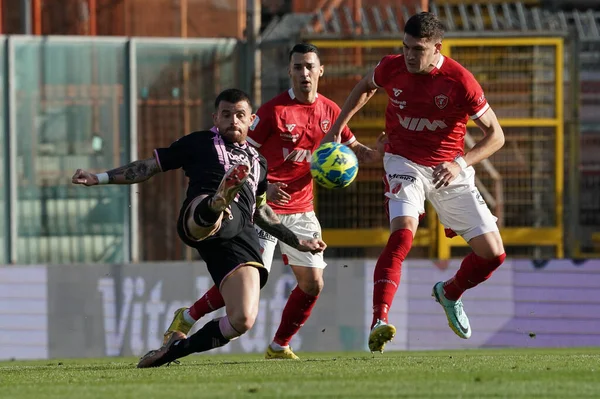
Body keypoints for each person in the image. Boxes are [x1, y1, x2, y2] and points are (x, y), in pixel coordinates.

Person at [159, 43, 384, 360]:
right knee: (248, 279)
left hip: (303, 209)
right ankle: (190, 316)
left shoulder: (331, 110)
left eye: (309, 66)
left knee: (313, 283)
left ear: (321, 70)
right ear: (290, 72)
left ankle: (279, 345)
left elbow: (351, 147)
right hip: (263, 209)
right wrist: (269, 185)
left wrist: (375, 154)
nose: (304, 73)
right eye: (297, 67)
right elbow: (240, 156)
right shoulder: (273, 112)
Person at [72, 88, 326, 368]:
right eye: (226, 114)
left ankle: (176, 349)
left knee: (243, 319)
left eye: (240, 115)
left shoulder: (259, 162)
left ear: (251, 120)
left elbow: (263, 211)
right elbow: (148, 167)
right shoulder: (199, 142)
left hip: (240, 238)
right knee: (211, 210)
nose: (233, 120)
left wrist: (298, 241)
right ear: (215, 117)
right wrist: (99, 177)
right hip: (199, 215)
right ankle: (218, 202)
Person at [322, 12, 507, 353]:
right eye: (405, 47)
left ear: (438, 48)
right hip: (402, 160)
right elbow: (366, 87)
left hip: (449, 168)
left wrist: (460, 162)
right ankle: (379, 320)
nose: (409, 55)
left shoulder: (460, 82)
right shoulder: (392, 66)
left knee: (493, 255)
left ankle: (449, 293)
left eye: (418, 49)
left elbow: (496, 136)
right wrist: (336, 129)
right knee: (403, 232)